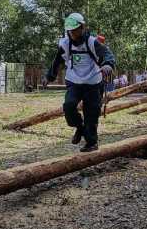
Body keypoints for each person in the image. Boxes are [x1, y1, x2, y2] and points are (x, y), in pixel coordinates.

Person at [42, 13, 115, 152]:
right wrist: (49, 77)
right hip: (74, 81)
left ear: (82, 27)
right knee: (69, 106)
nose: (72, 33)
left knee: (91, 114)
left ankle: (91, 143)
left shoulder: (92, 42)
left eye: (75, 29)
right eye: (70, 30)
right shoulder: (65, 44)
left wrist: (107, 65)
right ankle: (80, 128)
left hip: (93, 82)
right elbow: (57, 61)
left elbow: (107, 54)